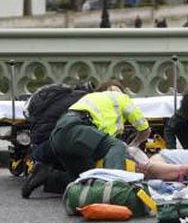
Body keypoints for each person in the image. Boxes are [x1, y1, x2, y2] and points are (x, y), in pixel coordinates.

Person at [21, 83, 151, 198]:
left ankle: (47, 177)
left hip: (58, 136)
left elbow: (100, 140)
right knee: (117, 146)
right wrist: (134, 144)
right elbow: (145, 130)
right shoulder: (121, 98)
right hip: (76, 128)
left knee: (87, 179)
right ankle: (116, 188)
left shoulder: (89, 98)